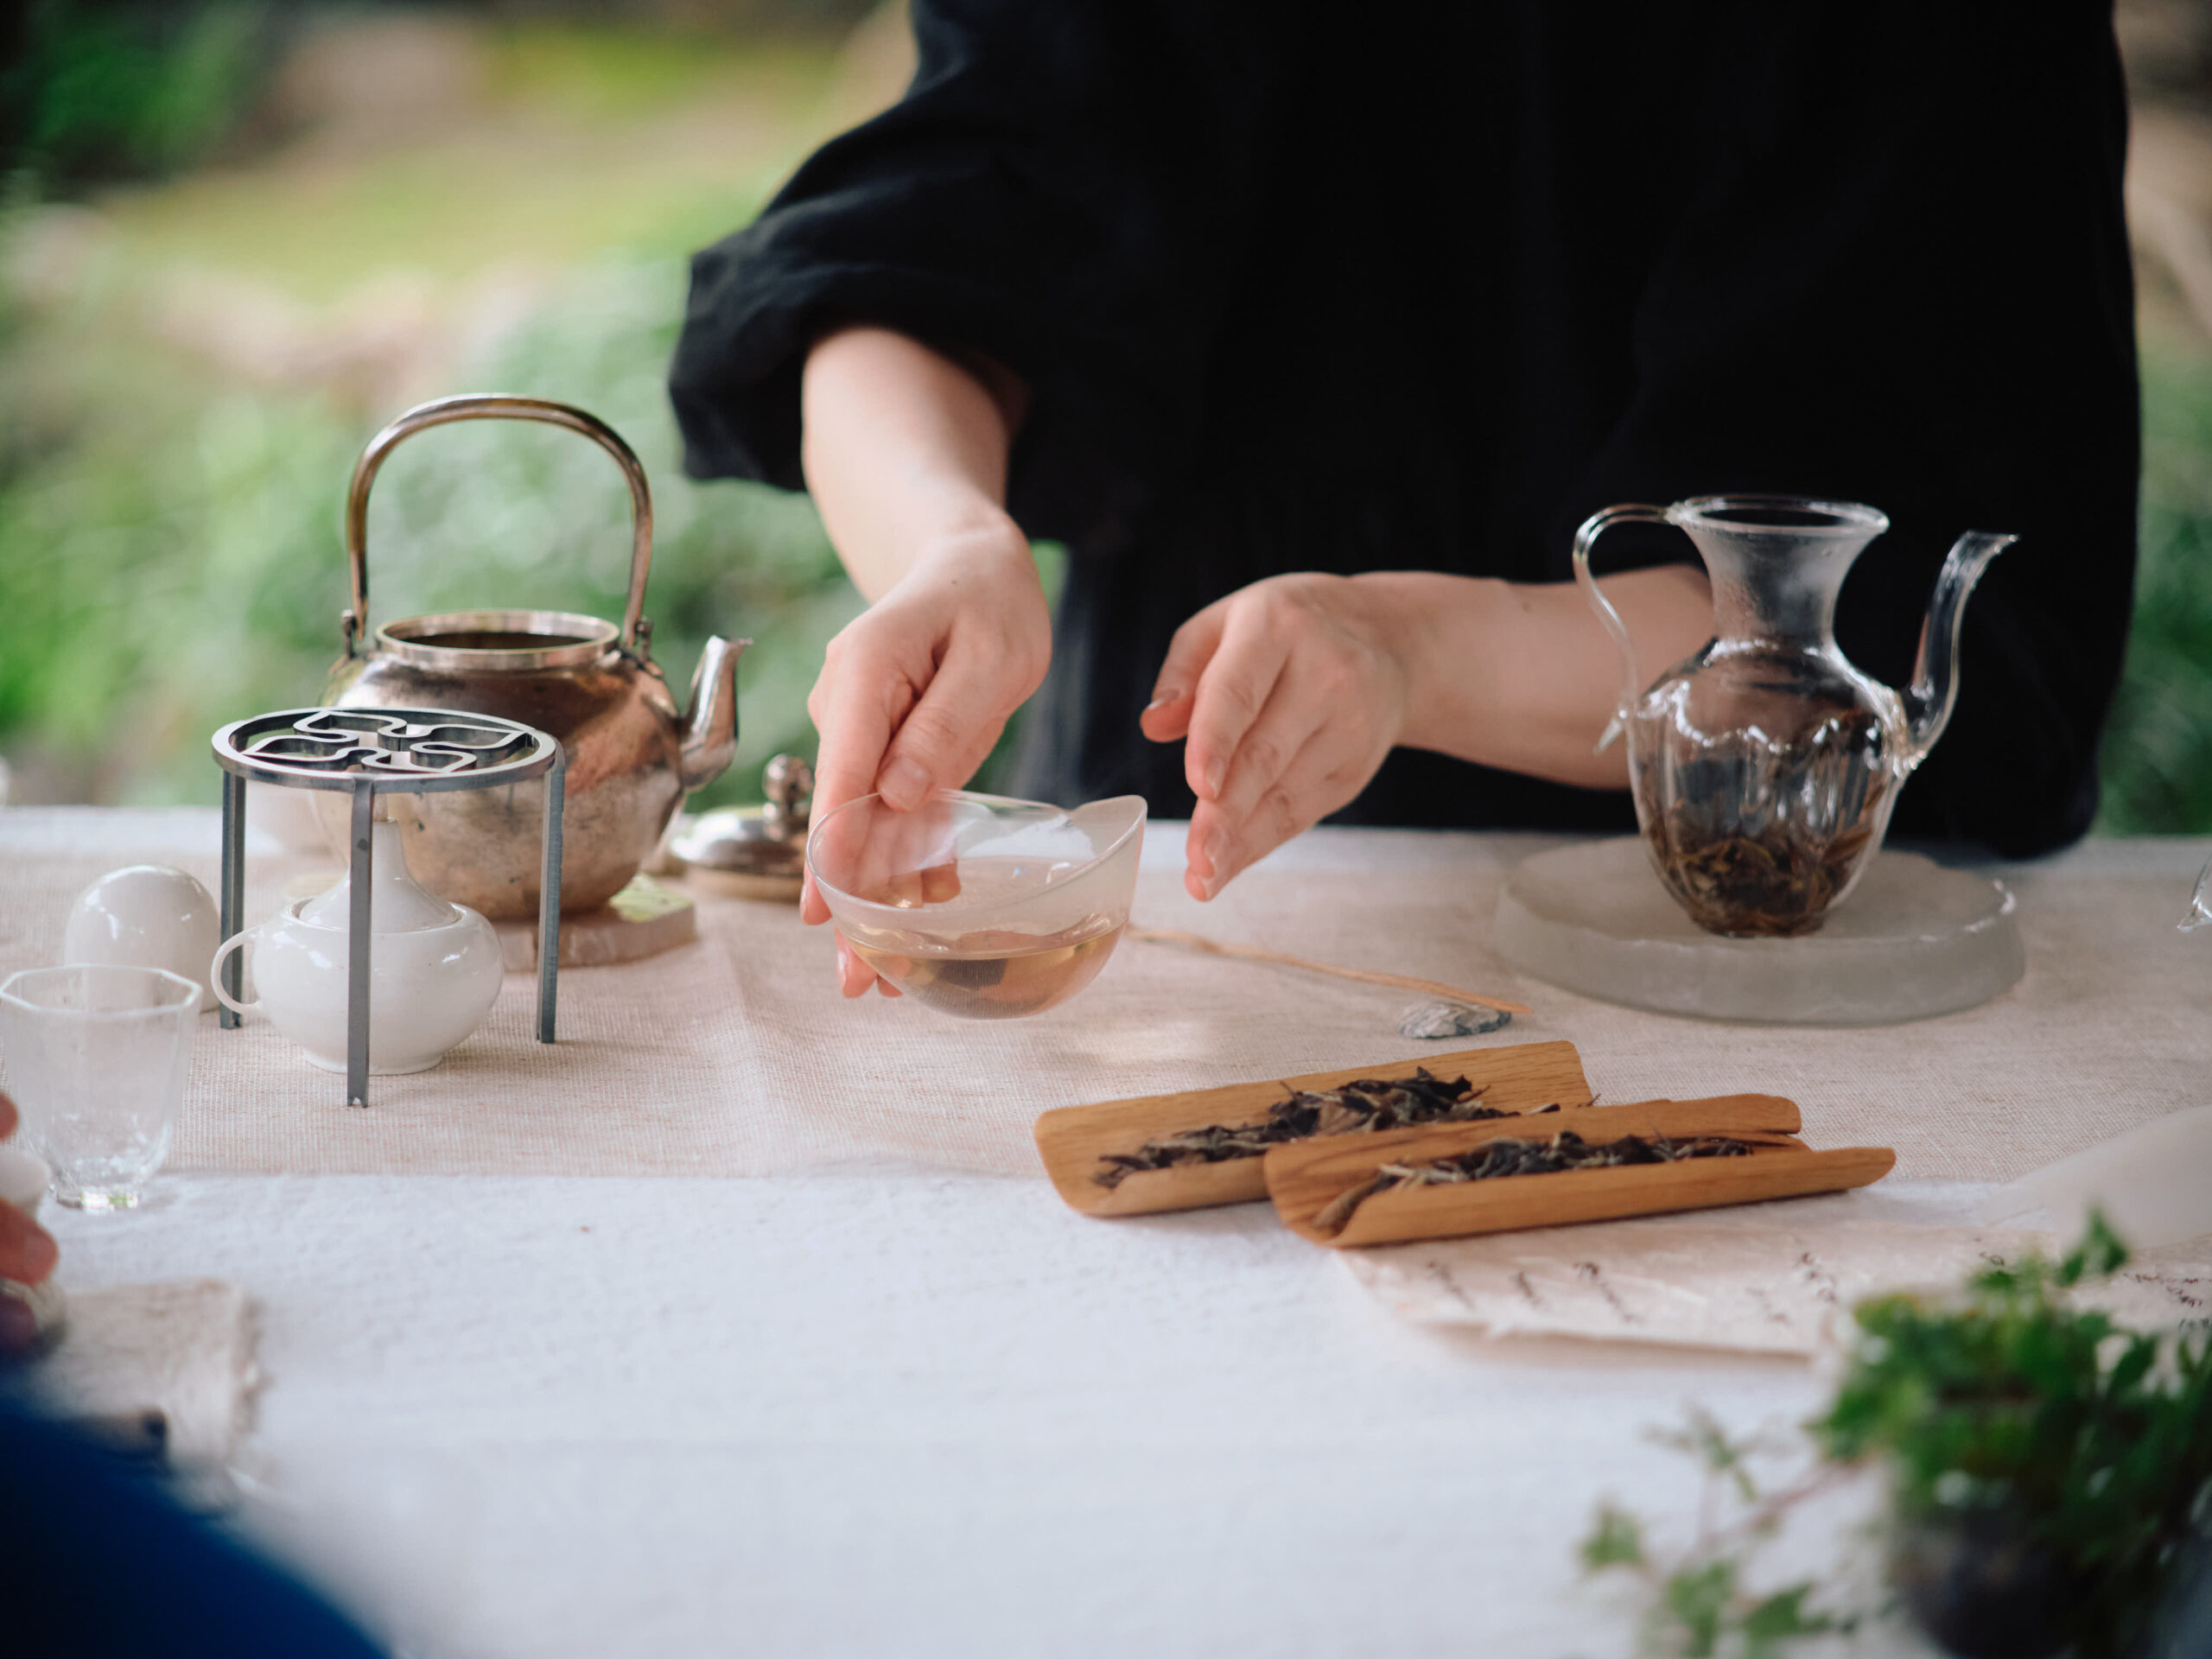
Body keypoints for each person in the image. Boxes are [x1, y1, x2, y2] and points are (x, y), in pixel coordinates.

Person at [670, 2, 2139, 995]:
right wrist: (949, 543)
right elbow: (938, 232)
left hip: (1761, 942)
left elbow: (1901, 582)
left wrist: (1408, 651)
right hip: (1203, 871)